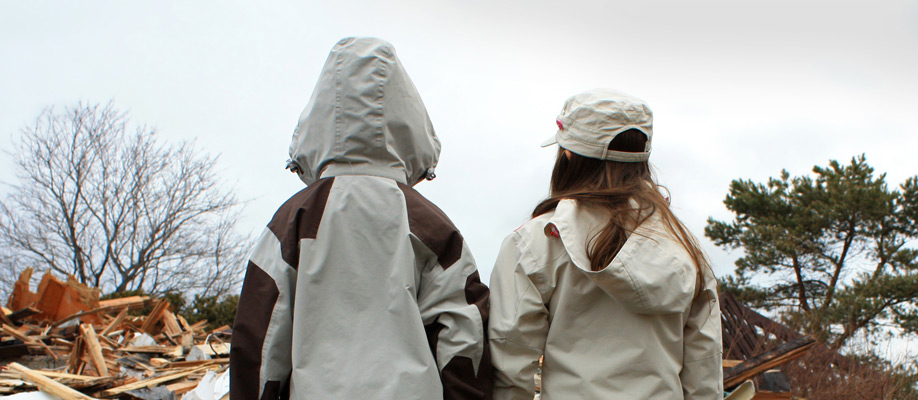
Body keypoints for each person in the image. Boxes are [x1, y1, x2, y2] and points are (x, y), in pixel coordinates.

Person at [232, 37, 492, 400]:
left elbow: (259, 342)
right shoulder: (431, 226)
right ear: (409, 121)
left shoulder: (292, 220)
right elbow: (465, 340)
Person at [488, 89, 723, 400]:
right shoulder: (683, 247)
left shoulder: (536, 242)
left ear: (568, 155)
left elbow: (509, 368)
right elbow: (704, 371)